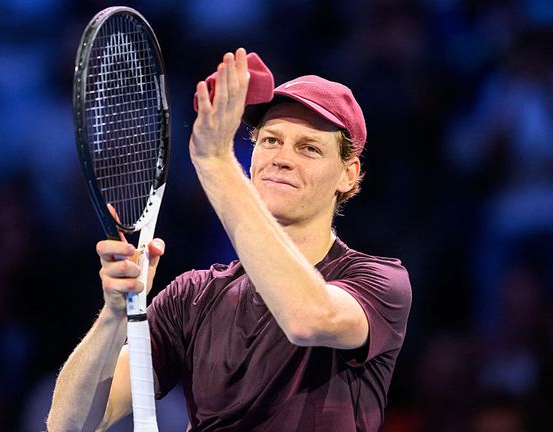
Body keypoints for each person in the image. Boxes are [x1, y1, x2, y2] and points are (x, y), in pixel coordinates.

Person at [47, 48, 412, 431]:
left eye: (309, 148)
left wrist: (216, 162)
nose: (281, 158)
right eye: (270, 141)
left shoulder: (379, 283)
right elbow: (69, 424)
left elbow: (307, 319)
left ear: (348, 174)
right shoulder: (192, 297)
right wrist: (114, 313)